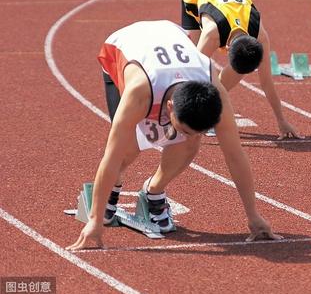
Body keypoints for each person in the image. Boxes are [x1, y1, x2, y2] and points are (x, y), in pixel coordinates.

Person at [66, 20, 281, 251]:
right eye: (184, 128)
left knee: (189, 143)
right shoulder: (139, 92)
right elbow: (111, 155)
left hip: (171, 36)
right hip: (123, 47)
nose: (185, 135)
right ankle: (114, 188)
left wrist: (253, 215)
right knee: (126, 149)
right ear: (169, 107)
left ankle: (153, 191)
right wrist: (95, 222)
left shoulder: (214, 87)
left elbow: (235, 155)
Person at [181, 0, 302, 140]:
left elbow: (267, 82)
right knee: (197, 68)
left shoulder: (260, 36)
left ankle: (212, 107)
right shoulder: (211, 34)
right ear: (228, 48)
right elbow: (189, 74)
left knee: (237, 67)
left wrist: (281, 120)